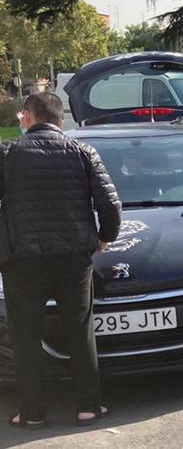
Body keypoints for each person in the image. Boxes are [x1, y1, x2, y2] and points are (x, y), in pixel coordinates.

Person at [0, 93, 121, 429]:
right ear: (60, 120)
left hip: (21, 258)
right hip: (73, 257)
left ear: (29, 117)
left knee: (25, 335)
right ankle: (88, 407)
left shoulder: (8, 153)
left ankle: (33, 413)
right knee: (80, 328)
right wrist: (105, 237)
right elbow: (110, 203)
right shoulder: (82, 152)